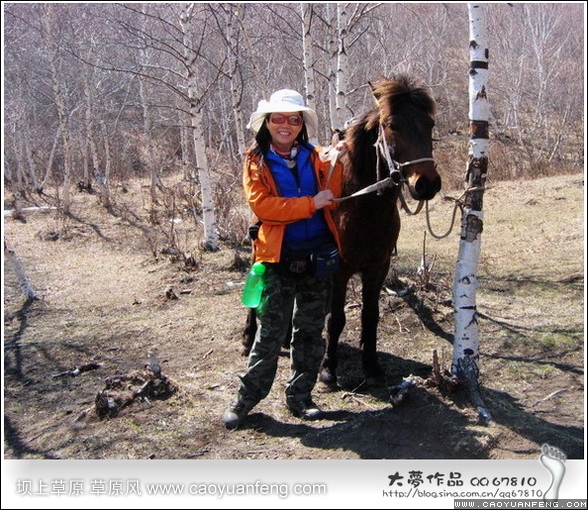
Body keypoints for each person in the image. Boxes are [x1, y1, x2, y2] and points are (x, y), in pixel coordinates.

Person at [223, 89, 346, 429]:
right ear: (267, 122)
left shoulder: (315, 156)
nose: (286, 125)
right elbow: (263, 207)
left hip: (317, 259)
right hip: (278, 260)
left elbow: (332, 197)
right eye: (278, 118)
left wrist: (337, 159)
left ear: (301, 125)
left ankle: (301, 397)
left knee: (309, 334)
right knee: (269, 335)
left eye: (294, 119)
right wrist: (311, 203)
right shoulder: (256, 160)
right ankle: (246, 401)